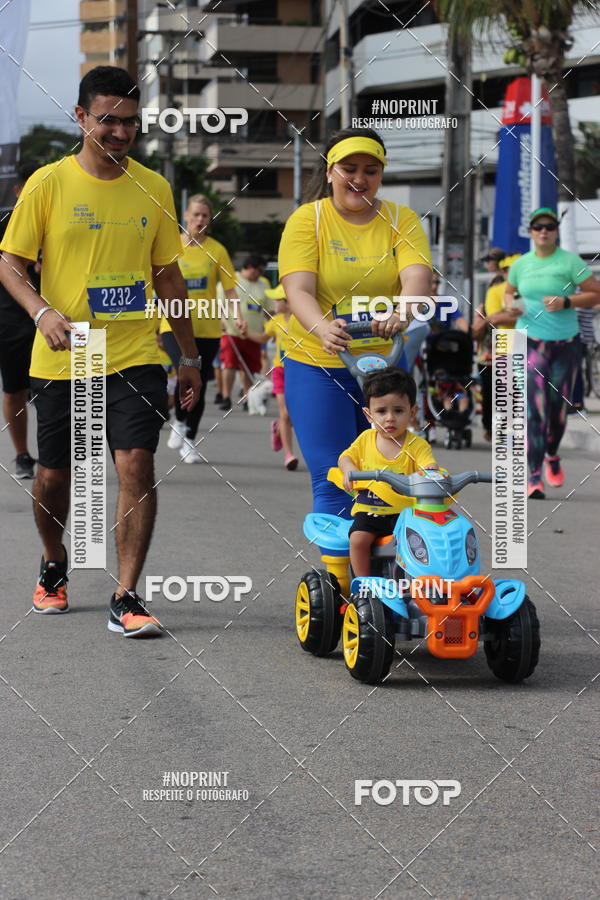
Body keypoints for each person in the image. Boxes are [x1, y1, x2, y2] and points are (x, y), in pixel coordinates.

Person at [0, 66, 200, 634]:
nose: (119, 132)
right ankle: (54, 562)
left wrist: (188, 356)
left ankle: (127, 595)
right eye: (107, 119)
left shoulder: (154, 187)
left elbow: (166, 276)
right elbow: (10, 263)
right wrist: (41, 311)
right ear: (81, 116)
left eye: (130, 123)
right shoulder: (46, 183)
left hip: (134, 350)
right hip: (65, 353)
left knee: (136, 463)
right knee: (54, 478)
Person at [279, 127, 432, 517]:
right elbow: (298, 289)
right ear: (330, 172)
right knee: (336, 477)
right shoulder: (306, 220)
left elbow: (417, 277)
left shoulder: (402, 218)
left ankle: (380, 565)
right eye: (349, 169)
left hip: (383, 368)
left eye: (371, 170)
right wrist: (322, 327)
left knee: (389, 477)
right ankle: (339, 574)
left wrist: (403, 312)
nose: (360, 179)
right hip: (318, 362)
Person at [505, 208, 600, 498]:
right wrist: (511, 304)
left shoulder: (570, 262)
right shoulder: (521, 264)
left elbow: (596, 294)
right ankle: (534, 476)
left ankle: (552, 455)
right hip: (529, 342)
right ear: (531, 232)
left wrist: (567, 301)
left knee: (558, 412)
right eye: (537, 227)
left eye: (548, 226)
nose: (543, 231)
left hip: (565, 345)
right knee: (535, 411)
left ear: (556, 231)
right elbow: (509, 291)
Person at [338, 368, 438, 576]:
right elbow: (345, 457)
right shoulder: (365, 439)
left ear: (412, 413)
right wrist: (349, 469)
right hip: (371, 511)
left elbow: (428, 465)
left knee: (432, 537)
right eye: (382, 411)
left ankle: (425, 580)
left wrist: (430, 471)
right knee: (358, 539)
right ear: (369, 414)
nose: (390, 418)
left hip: (407, 513)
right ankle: (363, 584)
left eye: (398, 411)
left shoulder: (416, 445)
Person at [160, 194, 237, 462]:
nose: (200, 220)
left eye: (205, 215)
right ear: (185, 216)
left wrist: (236, 316)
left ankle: (189, 437)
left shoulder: (217, 250)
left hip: (207, 328)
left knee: (199, 383)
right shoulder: (170, 247)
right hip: (172, 324)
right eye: (196, 215)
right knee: (183, 372)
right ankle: (179, 420)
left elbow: (229, 290)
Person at [0, 164, 41, 478]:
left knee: (59, 392)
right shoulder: (3, 224)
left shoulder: (57, 221)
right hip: (11, 322)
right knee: (15, 391)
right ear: (18, 192)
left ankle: (59, 455)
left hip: (58, 321)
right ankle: (22, 455)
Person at [240, 283, 298, 470]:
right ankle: (289, 455)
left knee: (296, 415)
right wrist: (246, 333)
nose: (273, 302)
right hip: (281, 371)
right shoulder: (275, 321)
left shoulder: (304, 320)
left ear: (288, 301)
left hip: (301, 371)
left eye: (276, 299)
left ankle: (278, 428)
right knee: (285, 413)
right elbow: (264, 338)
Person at [472, 254, 521, 441]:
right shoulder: (485, 303)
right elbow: (487, 322)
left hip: (515, 351)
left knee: (514, 394)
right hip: (489, 355)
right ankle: (490, 427)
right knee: (490, 395)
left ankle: (508, 429)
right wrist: (485, 320)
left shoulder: (524, 295)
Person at [219, 254, 271, 411]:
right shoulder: (231, 280)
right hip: (231, 331)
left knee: (250, 367)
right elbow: (219, 302)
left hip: (253, 333)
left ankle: (248, 397)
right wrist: (220, 321)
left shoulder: (263, 286)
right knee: (229, 364)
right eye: (259, 270)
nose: (260, 274)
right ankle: (226, 396)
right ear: (250, 267)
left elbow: (269, 310)